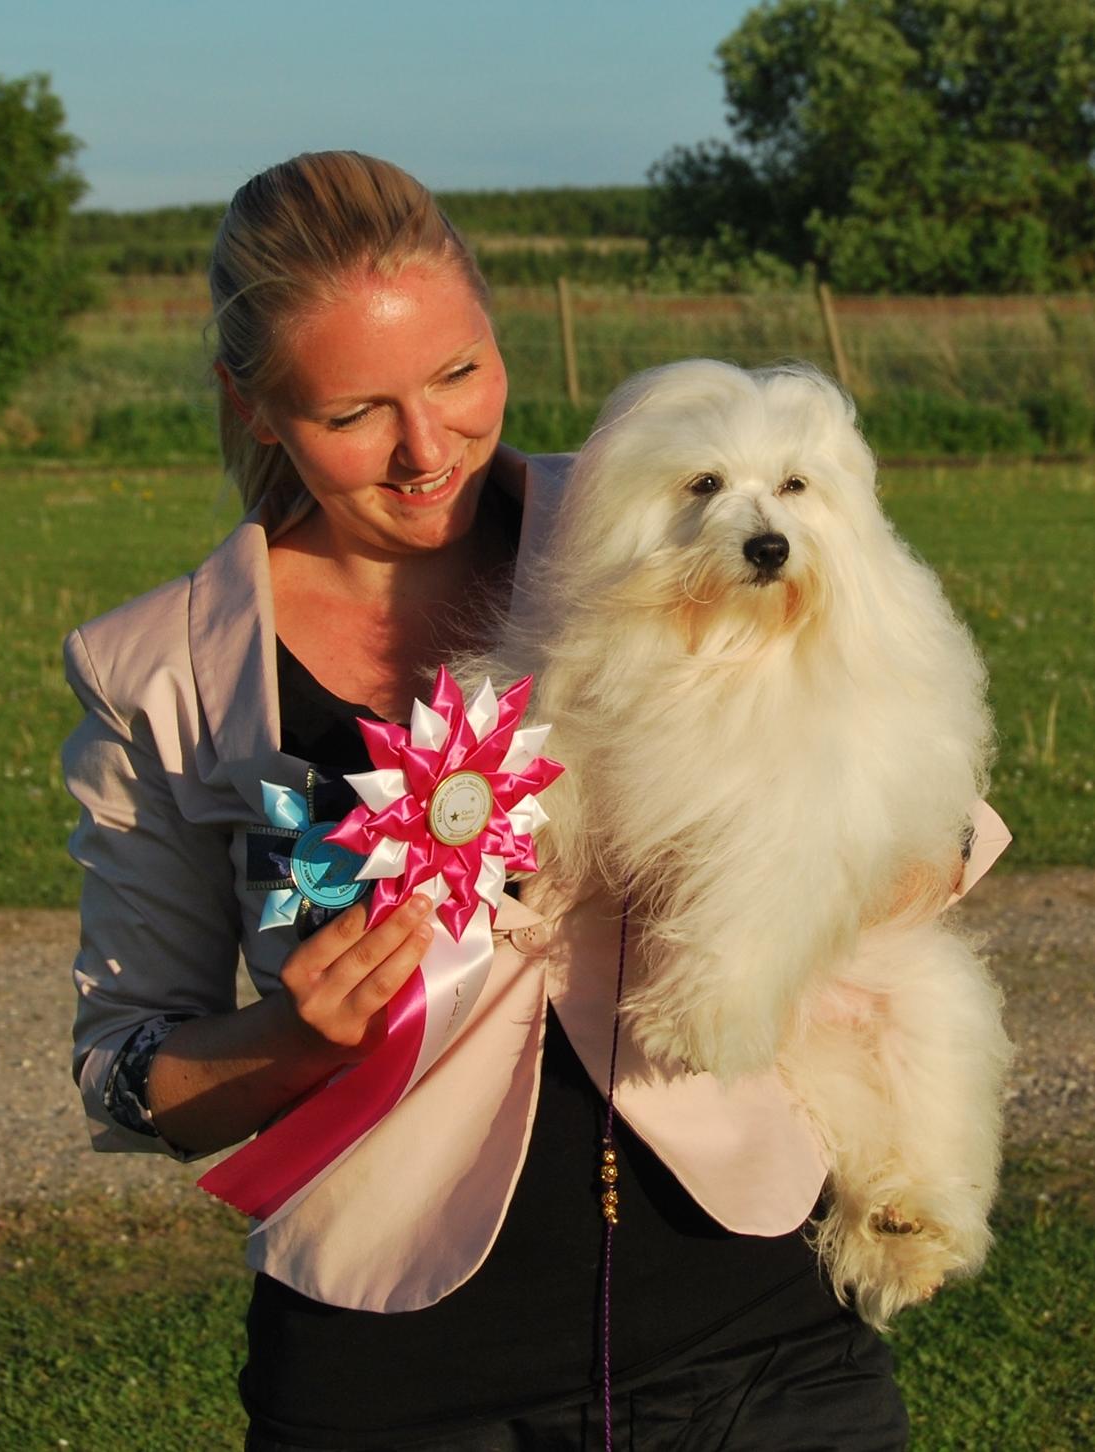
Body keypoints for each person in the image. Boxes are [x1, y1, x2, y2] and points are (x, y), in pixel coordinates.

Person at [64, 151, 910, 1451]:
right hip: (397, 1390)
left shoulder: (668, 516)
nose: (426, 448)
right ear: (253, 403)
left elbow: (924, 802)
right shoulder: (159, 673)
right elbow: (123, 1067)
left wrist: (806, 857)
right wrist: (295, 1039)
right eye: (355, 410)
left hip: (768, 1350)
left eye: (459, 374)